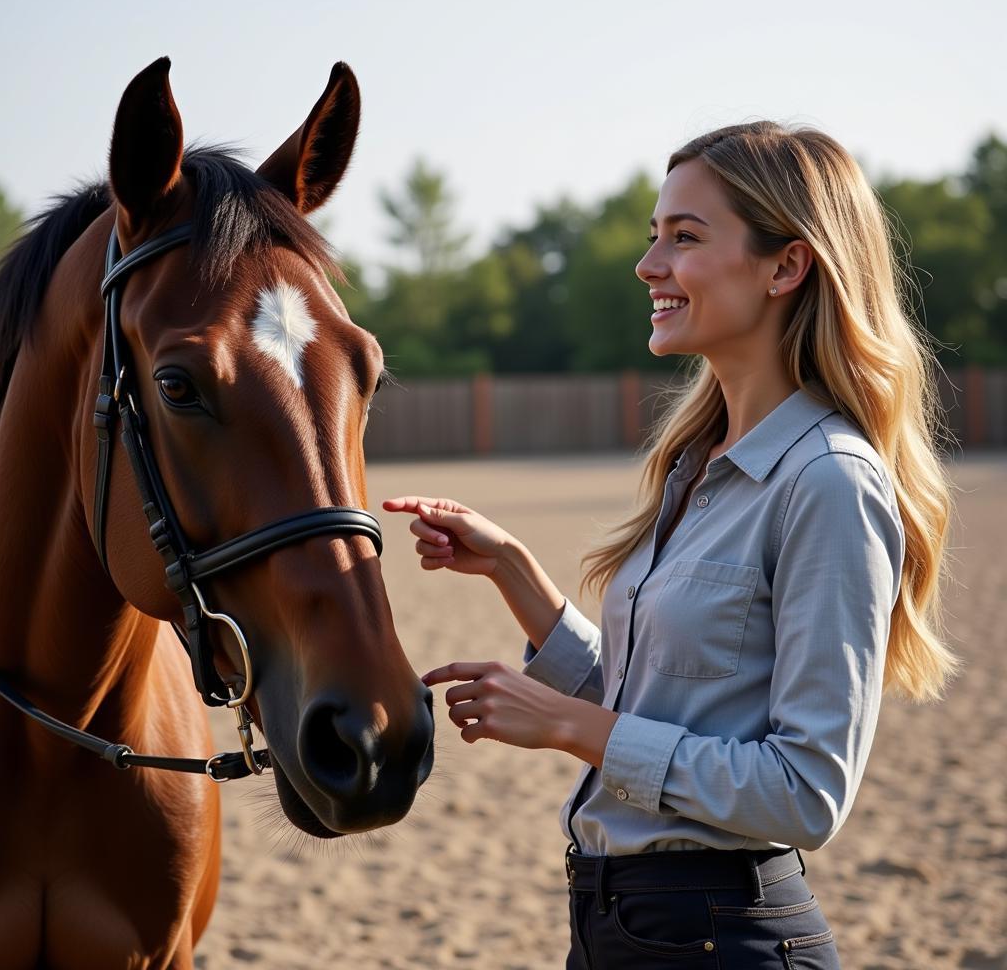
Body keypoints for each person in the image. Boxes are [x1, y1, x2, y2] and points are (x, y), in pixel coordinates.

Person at [383, 121, 957, 969]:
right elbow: (655, 701)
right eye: (655, 237)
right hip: (615, 926)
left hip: (724, 935)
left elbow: (806, 794)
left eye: (684, 238)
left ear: (785, 267)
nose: (650, 265)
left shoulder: (829, 481)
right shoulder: (696, 464)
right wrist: (513, 572)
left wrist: (571, 728)